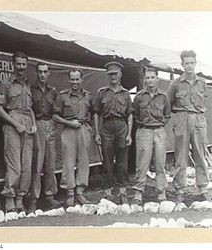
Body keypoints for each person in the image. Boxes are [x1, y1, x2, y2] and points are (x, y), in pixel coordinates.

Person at [0, 51, 36, 213]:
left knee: (26, 166)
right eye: (18, 64)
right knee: (15, 166)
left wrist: (34, 124)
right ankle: (9, 200)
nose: (21, 67)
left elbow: (29, 108)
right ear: (13, 64)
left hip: (27, 123)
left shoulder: (27, 83)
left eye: (24, 64)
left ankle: (20, 199)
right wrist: (15, 124)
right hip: (12, 123)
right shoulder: (6, 83)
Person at [167, 50, 211, 203]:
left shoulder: (203, 83)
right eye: (186, 63)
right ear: (182, 65)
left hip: (198, 119)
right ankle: (180, 189)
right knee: (181, 155)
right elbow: (169, 103)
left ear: (195, 63)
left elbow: (203, 101)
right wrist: (180, 117)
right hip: (182, 119)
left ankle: (203, 188)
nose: (189, 66)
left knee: (200, 154)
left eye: (192, 63)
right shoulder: (176, 84)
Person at [93, 61, 133, 204]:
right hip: (107, 127)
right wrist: (97, 133)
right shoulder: (101, 93)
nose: (113, 77)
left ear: (120, 75)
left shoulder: (126, 94)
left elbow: (129, 114)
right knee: (107, 161)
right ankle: (108, 192)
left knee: (122, 161)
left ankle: (123, 192)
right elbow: (96, 113)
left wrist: (129, 134)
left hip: (122, 126)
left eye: (115, 74)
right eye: (110, 74)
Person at [53, 68, 93, 207]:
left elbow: (93, 112)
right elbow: (55, 116)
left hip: (82, 129)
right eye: (72, 79)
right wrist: (69, 122)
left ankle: (80, 192)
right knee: (68, 162)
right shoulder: (63, 96)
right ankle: (70, 193)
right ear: (69, 80)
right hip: (68, 130)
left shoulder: (87, 96)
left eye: (77, 79)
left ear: (81, 80)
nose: (75, 82)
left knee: (83, 161)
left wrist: (89, 125)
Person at [132, 67, 171, 205]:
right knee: (142, 163)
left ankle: (161, 191)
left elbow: (167, 115)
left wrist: (158, 125)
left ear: (157, 78)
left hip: (159, 131)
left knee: (160, 162)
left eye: (152, 77)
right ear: (144, 79)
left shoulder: (164, 96)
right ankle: (138, 191)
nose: (150, 80)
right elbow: (135, 115)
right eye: (147, 78)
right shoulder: (139, 96)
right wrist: (145, 125)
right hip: (144, 131)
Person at [27, 63, 61, 213]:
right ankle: (33, 199)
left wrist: (54, 120)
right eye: (40, 71)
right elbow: (29, 109)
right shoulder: (30, 89)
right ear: (36, 73)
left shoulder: (53, 91)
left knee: (50, 163)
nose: (42, 74)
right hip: (38, 125)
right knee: (37, 163)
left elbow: (58, 110)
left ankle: (49, 196)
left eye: (45, 72)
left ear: (49, 74)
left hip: (51, 125)